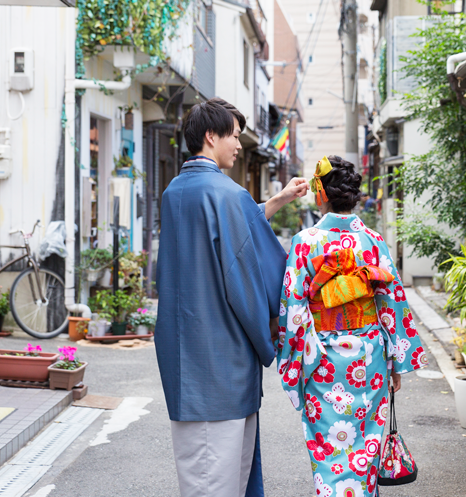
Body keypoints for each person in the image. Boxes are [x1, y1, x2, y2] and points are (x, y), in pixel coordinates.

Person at [154, 97, 308, 497]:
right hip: (224, 360)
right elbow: (250, 272)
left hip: (182, 353)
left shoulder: (174, 192)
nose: (239, 145)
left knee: (199, 472)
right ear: (211, 136)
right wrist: (270, 334)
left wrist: (278, 200)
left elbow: (230, 229)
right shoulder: (229, 193)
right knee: (221, 480)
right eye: (235, 136)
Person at [276, 155, 427, 497]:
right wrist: (395, 361)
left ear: (322, 194)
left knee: (330, 447)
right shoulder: (373, 241)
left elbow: (294, 308)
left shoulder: (306, 242)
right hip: (369, 358)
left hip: (322, 359)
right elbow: (391, 302)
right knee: (366, 445)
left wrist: (297, 361)